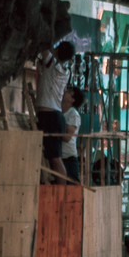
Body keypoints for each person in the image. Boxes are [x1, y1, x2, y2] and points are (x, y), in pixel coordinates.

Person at [35, 40, 74, 181]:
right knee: (54, 158)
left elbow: (43, 46)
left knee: (55, 159)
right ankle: (59, 188)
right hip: (55, 116)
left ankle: (61, 190)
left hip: (49, 116)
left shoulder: (52, 64)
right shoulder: (66, 71)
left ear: (57, 51)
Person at [60, 85, 83, 184]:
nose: (65, 92)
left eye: (69, 93)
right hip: (60, 155)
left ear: (72, 100)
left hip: (68, 157)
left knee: (72, 188)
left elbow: (68, 137)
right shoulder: (59, 110)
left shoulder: (73, 114)